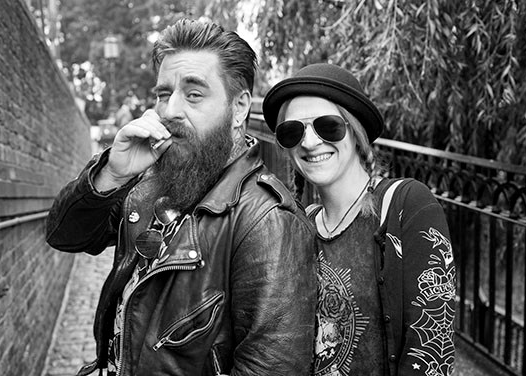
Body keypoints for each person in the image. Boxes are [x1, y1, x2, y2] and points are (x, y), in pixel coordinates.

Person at [46, 19, 317, 376]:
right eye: (163, 94)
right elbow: (64, 235)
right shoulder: (152, 183)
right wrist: (112, 172)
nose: (169, 110)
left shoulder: (267, 222)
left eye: (193, 94)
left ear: (238, 109)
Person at [262, 63, 456, 376]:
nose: (309, 143)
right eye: (293, 131)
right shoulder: (302, 226)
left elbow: (433, 347)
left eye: (327, 126)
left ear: (355, 130)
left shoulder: (405, 205)